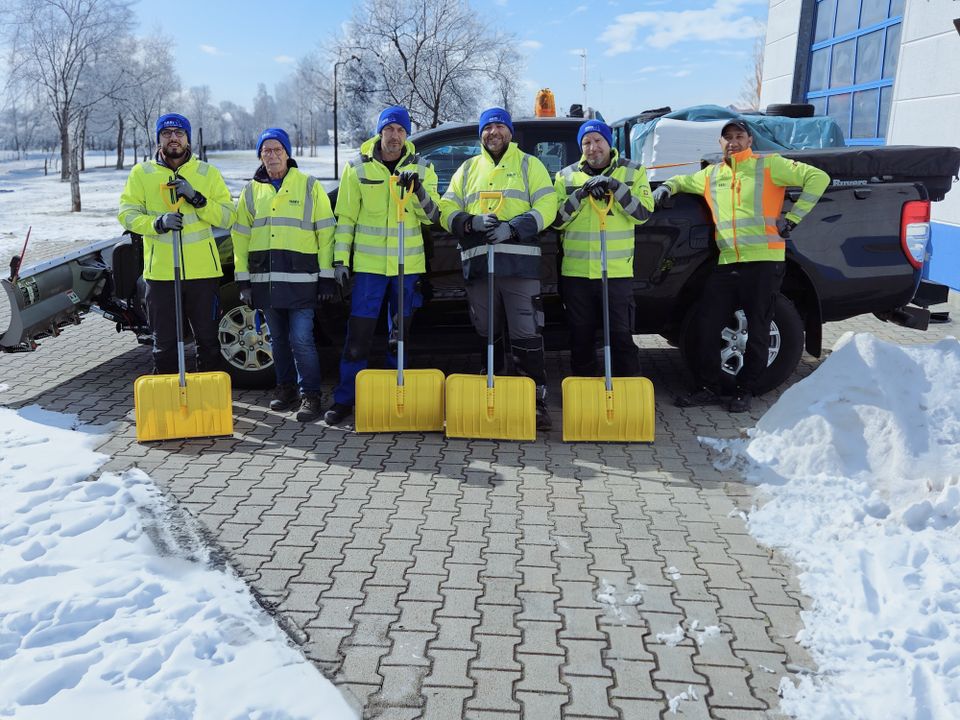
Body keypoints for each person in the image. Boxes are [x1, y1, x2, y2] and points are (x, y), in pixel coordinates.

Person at [654, 119, 829, 412]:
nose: (733, 142)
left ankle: (744, 390)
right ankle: (708, 387)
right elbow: (682, 181)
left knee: (757, 329)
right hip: (727, 262)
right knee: (707, 325)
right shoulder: (711, 175)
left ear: (749, 140)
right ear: (719, 144)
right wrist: (667, 188)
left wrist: (794, 218)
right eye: (727, 138)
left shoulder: (769, 166)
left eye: (739, 136)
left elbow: (818, 178)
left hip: (764, 261)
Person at [439, 107, 558, 431]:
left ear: (509, 132)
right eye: (488, 127)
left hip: (519, 265)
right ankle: (494, 395)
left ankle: (534, 402)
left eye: (499, 126)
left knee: (525, 331)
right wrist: (469, 221)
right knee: (487, 331)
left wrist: (514, 227)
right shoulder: (467, 169)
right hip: (480, 265)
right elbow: (446, 208)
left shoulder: (528, 165)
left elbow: (548, 205)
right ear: (481, 134)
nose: (493, 132)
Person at [323, 106, 441, 427]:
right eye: (388, 129)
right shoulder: (358, 169)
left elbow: (433, 216)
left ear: (407, 135)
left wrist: (417, 190)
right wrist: (340, 260)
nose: (394, 136)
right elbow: (346, 218)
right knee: (358, 335)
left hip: (407, 268)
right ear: (380, 133)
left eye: (400, 130)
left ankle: (394, 398)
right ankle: (345, 399)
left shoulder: (422, 167)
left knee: (398, 335)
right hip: (369, 270)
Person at [232, 128, 336, 422]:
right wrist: (243, 281)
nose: (273, 155)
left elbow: (326, 233)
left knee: (301, 338)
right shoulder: (251, 190)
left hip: (303, 282)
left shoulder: (309, 185)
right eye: (267, 151)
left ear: (288, 154)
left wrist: (326, 276)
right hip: (266, 282)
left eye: (278, 150)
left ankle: (311, 395)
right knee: (276, 339)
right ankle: (286, 388)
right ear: (260, 156)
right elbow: (240, 236)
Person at [118, 112, 235, 375]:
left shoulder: (207, 172)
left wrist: (198, 199)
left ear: (188, 140)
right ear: (159, 139)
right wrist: (156, 223)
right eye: (167, 133)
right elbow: (126, 214)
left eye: (179, 133)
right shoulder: (142, 173)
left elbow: (228, 216)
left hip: (203, 273)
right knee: (164, 343)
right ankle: (168, 401)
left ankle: (207, 399)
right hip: (160, 274)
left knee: (208, 340)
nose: (173, 138)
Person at [554, 119, 654, 377]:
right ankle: (587, 398)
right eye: (586, 142)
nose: (592, 147)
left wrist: (615, 187)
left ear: (609, 143)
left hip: (616, 273)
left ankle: (627, 393)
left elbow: (642, 214)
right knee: (581, 339)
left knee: (620, 338)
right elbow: (556, 221)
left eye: (598, 140)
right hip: (577, 274)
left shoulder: (633, 172)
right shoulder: (565, 176)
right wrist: (579, 195)